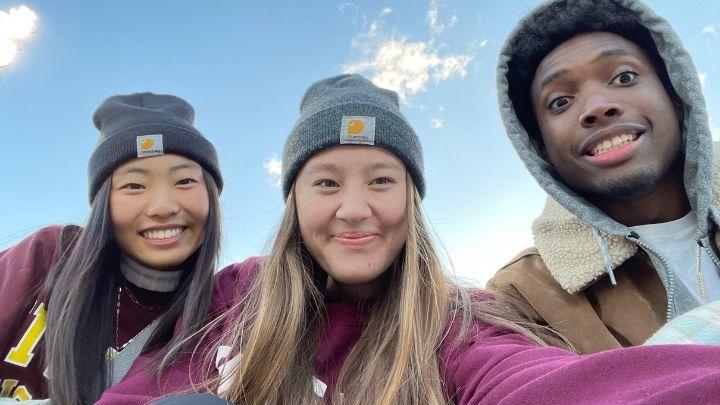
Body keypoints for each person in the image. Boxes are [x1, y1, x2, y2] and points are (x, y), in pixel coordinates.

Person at [99, 75, 720, 405]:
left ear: (411, 199)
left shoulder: (459, 320)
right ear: (293, 202)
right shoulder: (234, 296)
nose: (354, 209)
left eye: (381, 179)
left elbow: (539, 384)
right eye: (325, 182)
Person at [487, 0, 720, 354]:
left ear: (676, 96)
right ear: (541, 148)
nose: (597, 106)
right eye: (560, 101)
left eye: (624, 77)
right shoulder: (521, 298)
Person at [0, 93, 223, 404]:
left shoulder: (221, 315)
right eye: (134, 185)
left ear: (211, 195)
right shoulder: (48, 256)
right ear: (104, 201)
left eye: (184, 181)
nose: (162, 207)